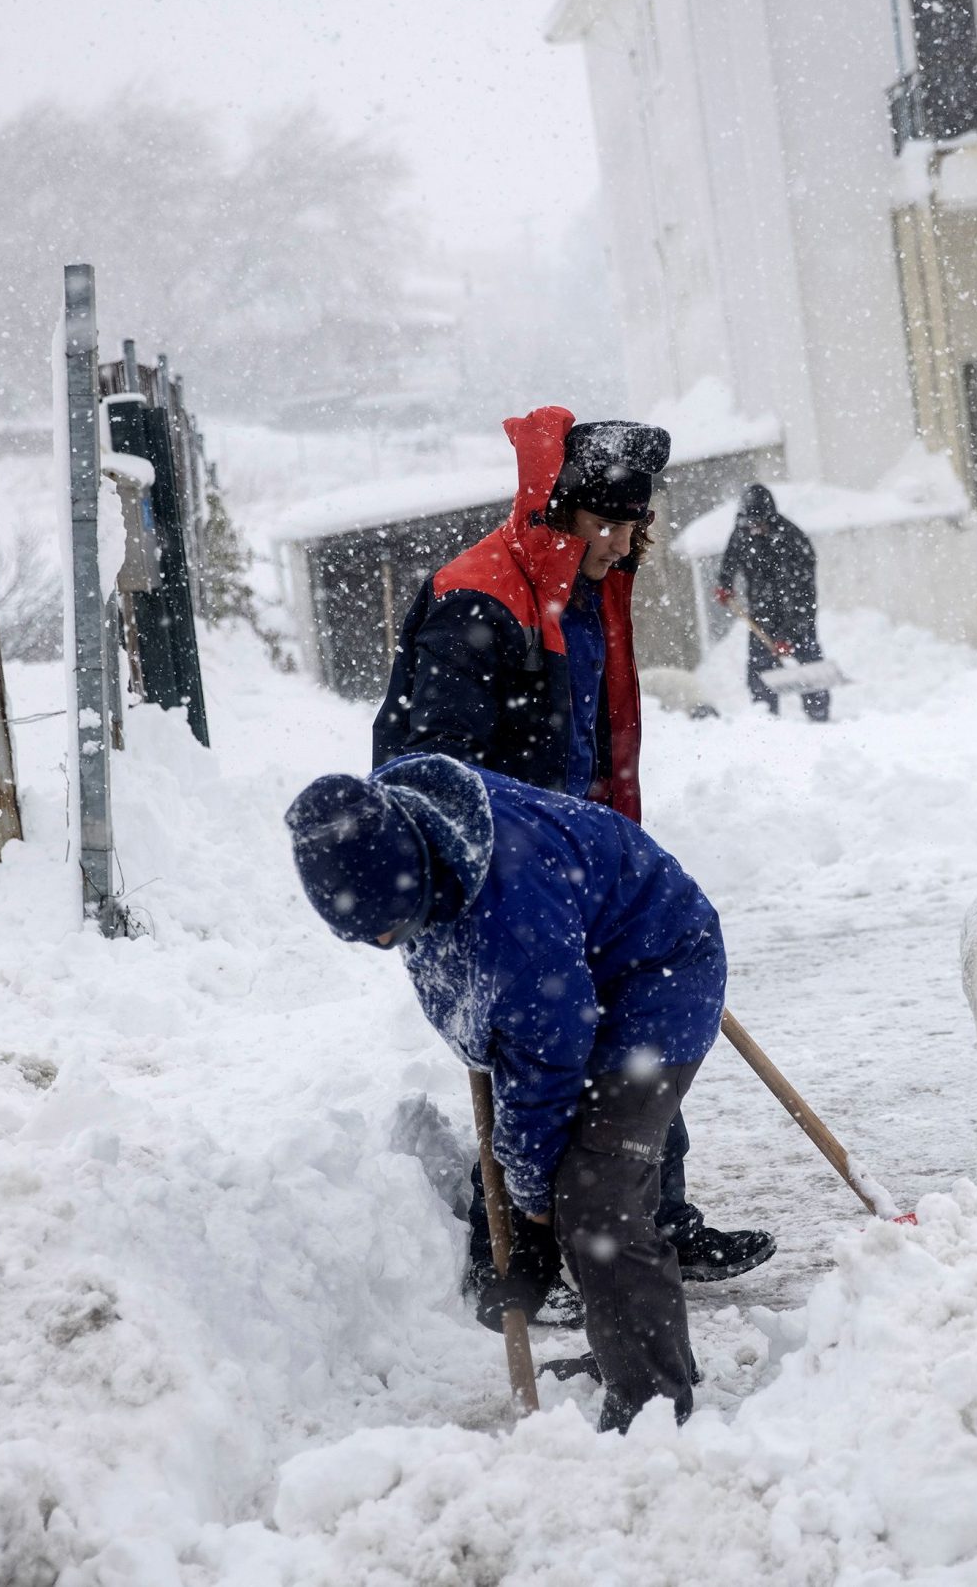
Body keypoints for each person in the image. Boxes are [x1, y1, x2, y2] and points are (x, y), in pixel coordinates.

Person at [371, 406, 773, 1298]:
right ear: (554, 512)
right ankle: (513, 1256)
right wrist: (500, 875)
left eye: (634, 524)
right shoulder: (478, 600)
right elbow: (428, 772)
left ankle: (653, 1222)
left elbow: (588, 732)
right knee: (540, 1054)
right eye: (604, 522)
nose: (622, 542)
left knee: (635, 1028)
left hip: (574, 854)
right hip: (496, 875)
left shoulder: (585, 587)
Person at [286, 753, 721, 1431]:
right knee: (570, 1182)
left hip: (657, 973)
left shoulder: (514, 918)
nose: (383, 940)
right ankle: (633, 1351)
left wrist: (530, 1203)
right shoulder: (407, 819)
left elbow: (545, 1058)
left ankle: (653, 1405)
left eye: (392, 926)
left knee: (596, 1194)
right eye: (368, 935)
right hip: (575, 964)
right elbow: (506, 1021)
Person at [715, 483, 829, 721]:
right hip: (761, 611)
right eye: (750, 524)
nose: (754, 529)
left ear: (770, 517)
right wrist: (725, 584)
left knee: (810, 667)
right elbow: (732, 555)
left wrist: (788, 635)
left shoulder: (793, 541)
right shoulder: (743, 530)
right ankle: (766, 718)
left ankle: (819, 716)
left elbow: (803, 595)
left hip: (796, 612)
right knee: (760, 669)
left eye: (759, 524)